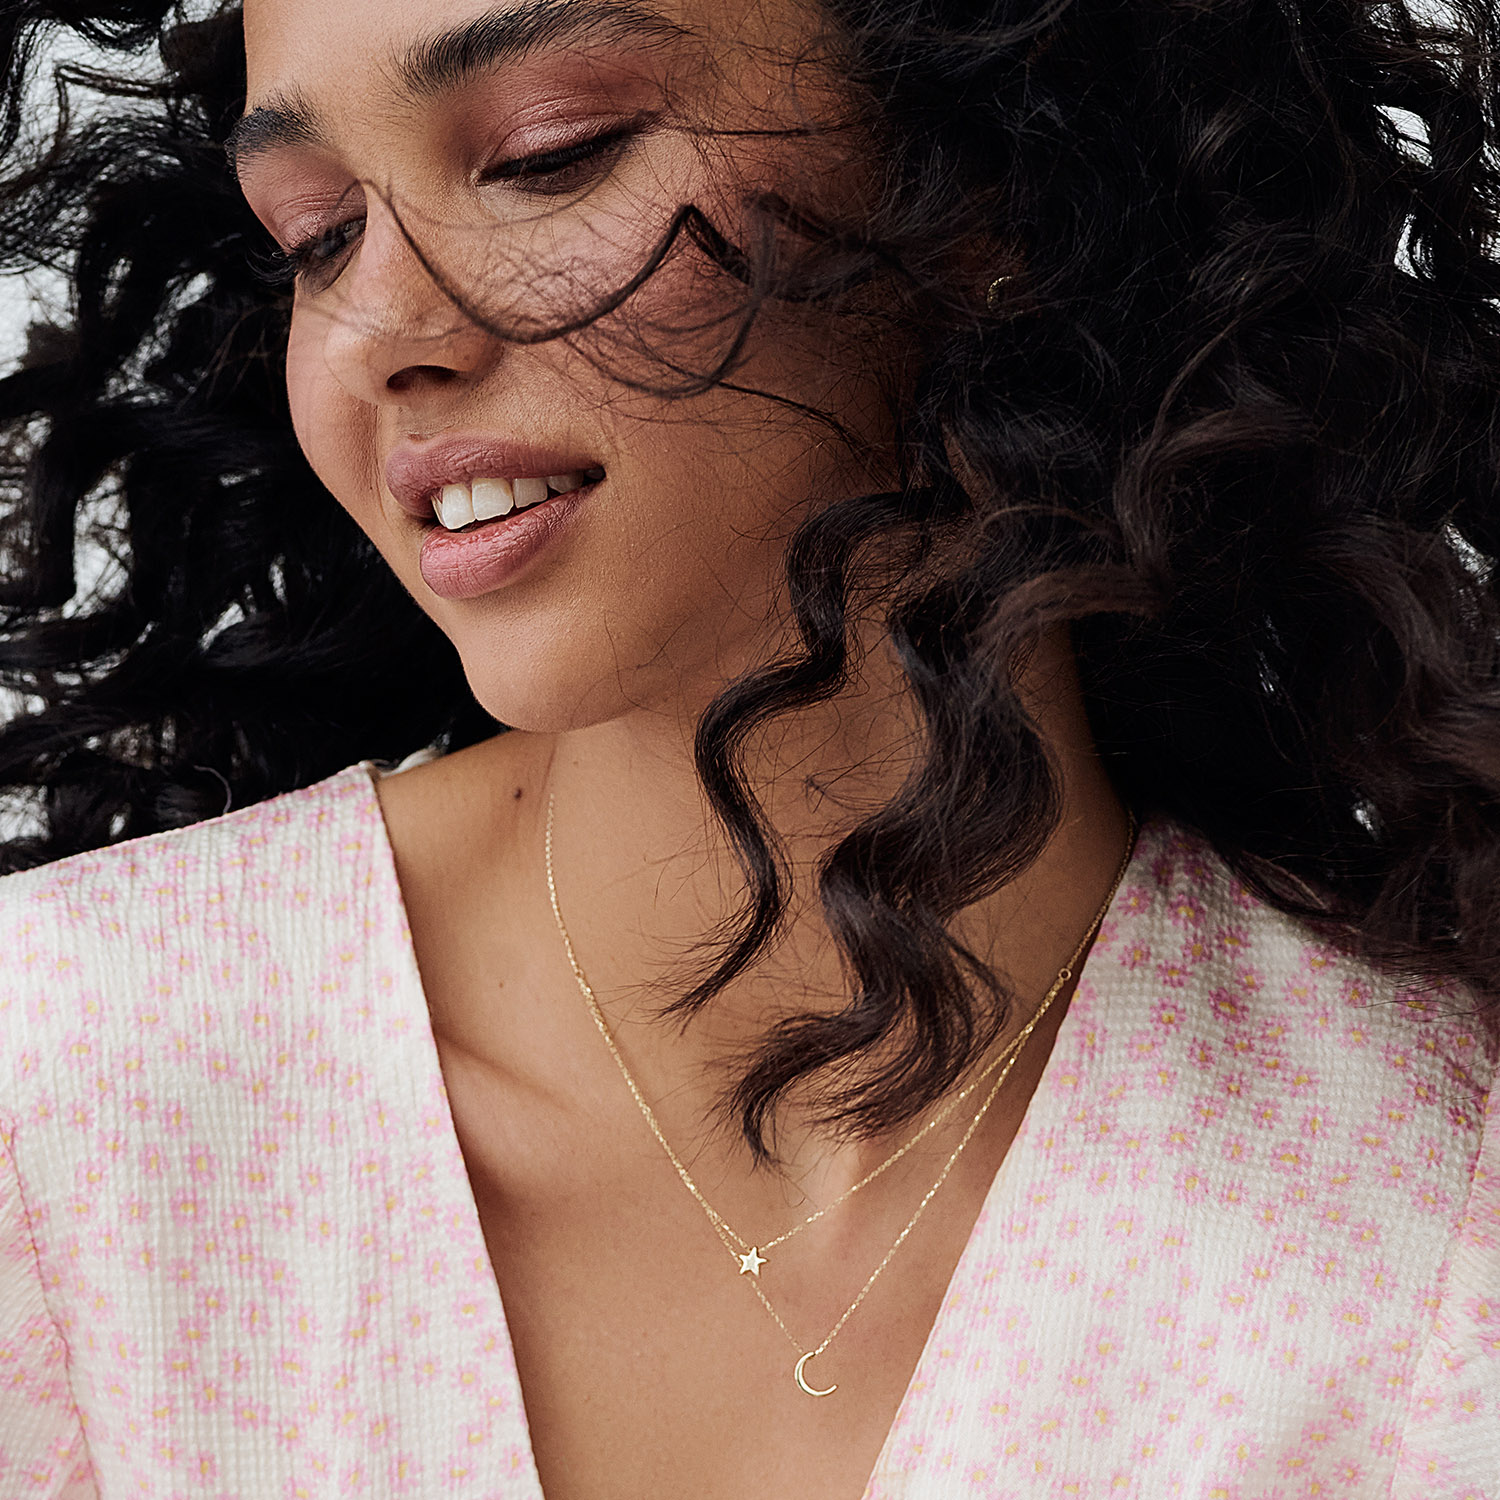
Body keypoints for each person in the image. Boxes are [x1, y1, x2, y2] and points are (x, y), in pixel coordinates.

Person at [0, 0, 1496, 1494]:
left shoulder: (1435, 1204)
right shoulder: (67, 1096)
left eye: (548, 155)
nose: (383, 335)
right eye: (319, 236)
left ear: (1002, 177)